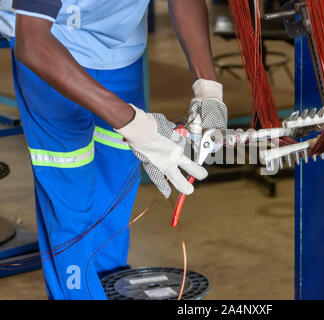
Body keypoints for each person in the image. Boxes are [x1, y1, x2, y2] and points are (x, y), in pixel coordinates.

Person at [1, 0, 228, 299]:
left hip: (120, 49)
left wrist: (207, 88)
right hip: (49, 47)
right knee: (71, 202)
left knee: (116, 192)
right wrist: (134, 124)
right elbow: (32, 43)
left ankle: (109, 286)